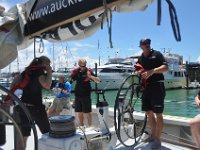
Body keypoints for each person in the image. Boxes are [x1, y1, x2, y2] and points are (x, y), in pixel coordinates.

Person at [136, 38, 168, 149]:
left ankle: (158, 139)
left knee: (158, 113)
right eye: (145, 44)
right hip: (146, 88)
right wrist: (138, 72)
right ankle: (153, 135)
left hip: (157, 86)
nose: (147, 45)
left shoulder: (157, 54)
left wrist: (152, 71)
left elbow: (165, 67)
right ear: (141, 46)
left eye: (148, 44)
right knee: (148, 112)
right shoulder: (140, 58)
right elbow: (138, 69)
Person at [15, 56, 52, 150]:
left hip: (23, 107)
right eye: (48, 64)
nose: (49, 66)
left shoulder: (25, 72)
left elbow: (14, 86)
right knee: (48, 134)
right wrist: (49, 72)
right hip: (36, 108)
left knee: (24, 136)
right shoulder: (40, 73)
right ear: (44, 64)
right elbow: (47, 85)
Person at [69, 58, 100, 127]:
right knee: (80, 112)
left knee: (88, 112)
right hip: (77, 94)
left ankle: (90, 126)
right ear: (79, 65)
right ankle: (82, 126)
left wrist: (90, 76)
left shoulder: (88, 71)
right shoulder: (76, 72)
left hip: (86, 95)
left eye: (84, 65)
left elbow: (98, 80)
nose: (83, 67)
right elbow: (69, 81)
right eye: (81, 66)